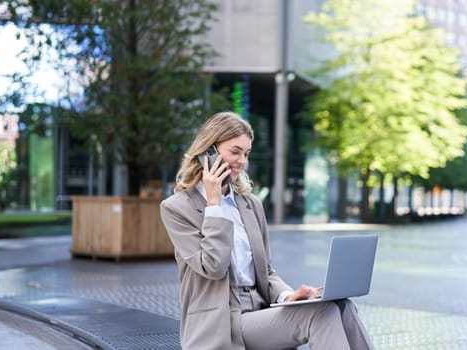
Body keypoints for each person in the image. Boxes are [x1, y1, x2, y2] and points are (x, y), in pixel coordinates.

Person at [160, 111, 373, 350]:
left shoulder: (250, 204)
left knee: (342, 306)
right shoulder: (177, 208)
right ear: (208, 152)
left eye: (246, 153)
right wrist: (213, 204)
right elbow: (213, 266)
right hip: (220, 323)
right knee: (321, 313)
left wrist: (287, 297)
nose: (242, 161)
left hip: (260, 312)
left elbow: (266, 270)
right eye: (235, 151)